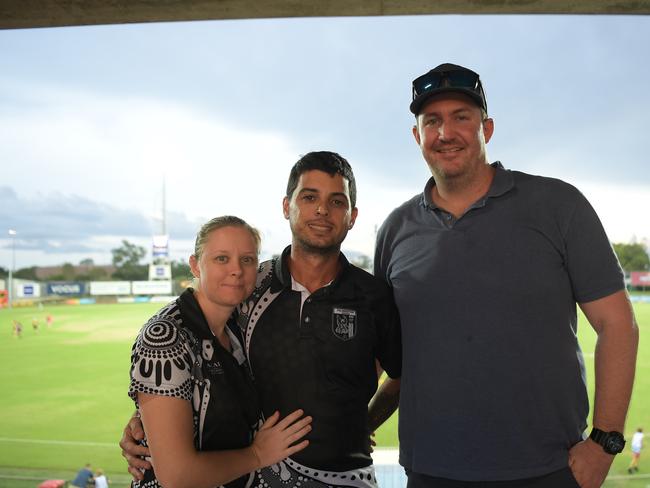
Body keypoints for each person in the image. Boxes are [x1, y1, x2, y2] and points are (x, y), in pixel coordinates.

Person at [374, 63, 639, 488]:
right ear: (417, 136)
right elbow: (386, 349)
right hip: (431, 470)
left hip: (549, 468)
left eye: (462, 117)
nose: (446, 133)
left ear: (487, 129)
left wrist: (604, 442)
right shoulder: (395, 228)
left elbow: (617, 324)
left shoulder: (558, 206)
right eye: (432, 121)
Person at [121, 152, 402, 487]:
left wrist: (363, 422)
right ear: (287, 207)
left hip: (349, 477)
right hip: (256, 477)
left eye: (337, 201)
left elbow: (401, 375)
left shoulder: (375, 296)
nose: (322, 210)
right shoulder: (252, 286)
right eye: (309, 197)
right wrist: (149, 420)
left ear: (352, 216)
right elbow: (190, 350)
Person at [127, 216, 312, 488]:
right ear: (195, 265)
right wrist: (257, 455)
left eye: (247, 259)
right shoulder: (165, 337)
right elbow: (176, 476)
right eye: (221, 259)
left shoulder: (239, 327)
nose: (236, 270)